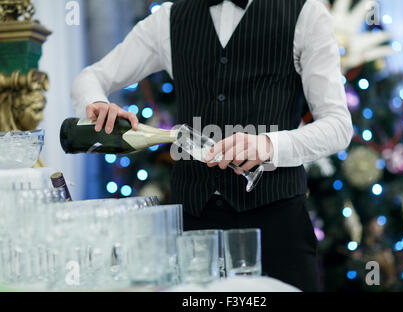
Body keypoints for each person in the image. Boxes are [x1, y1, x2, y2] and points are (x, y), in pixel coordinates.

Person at [71, 0, 353, 292]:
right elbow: (90, 78)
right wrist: (98, 104)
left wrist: (269, 146)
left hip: (277, 230)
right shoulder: (169, 18)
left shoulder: (306, 13)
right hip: (192, 232)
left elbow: (338, 126)